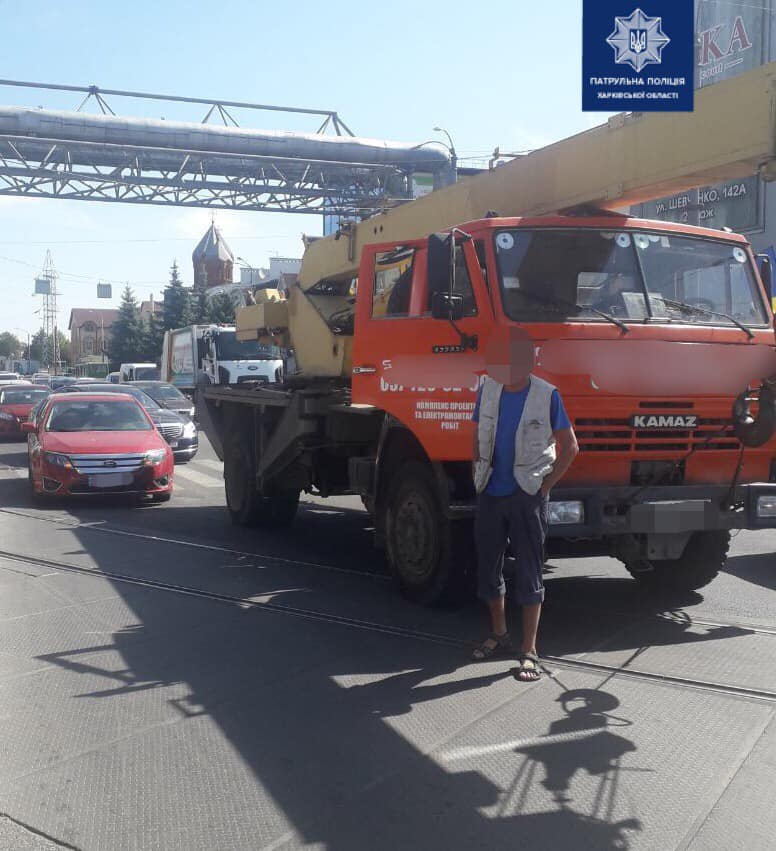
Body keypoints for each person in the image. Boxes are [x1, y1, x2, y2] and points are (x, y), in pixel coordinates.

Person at [471, 326, 579, 681]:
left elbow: (570, 447)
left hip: (526, 496)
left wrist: (543, 488)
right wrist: (478, 474)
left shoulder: (547, 395)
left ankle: (529, 649)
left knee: (529, 572)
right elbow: (477, 434)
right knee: (488, 568)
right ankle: (499, 634)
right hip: (490, 493)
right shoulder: (486, 389)